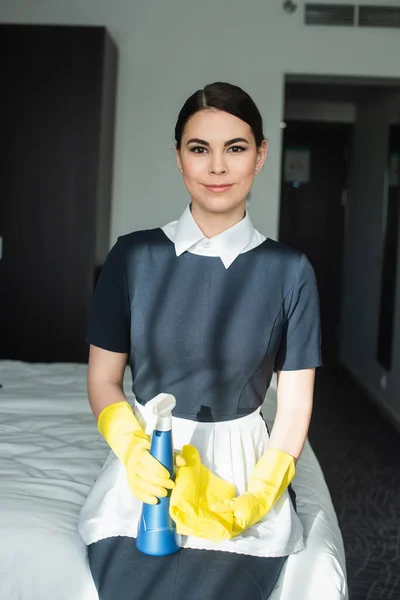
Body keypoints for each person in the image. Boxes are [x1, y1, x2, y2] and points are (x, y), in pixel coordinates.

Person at [78, 81, 322, 599]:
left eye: (235, 148)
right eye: (199, 149)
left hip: (244, 470)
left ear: (259, 156)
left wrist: (262, 493)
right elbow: (103, 377)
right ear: (179, 158)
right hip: (147, 464)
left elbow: (296, 403)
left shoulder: (291, 271)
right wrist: (130, 449)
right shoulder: (132, 256)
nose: (216, 167)